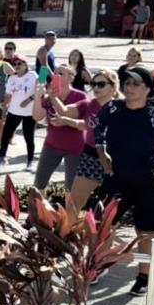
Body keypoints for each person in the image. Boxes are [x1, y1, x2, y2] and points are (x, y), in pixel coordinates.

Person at [95, 66, 154, 296]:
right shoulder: (112, 108)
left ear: (148, 90)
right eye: (127, 83)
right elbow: (97, 125)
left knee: (146, 233)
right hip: (119, 179)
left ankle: (143, 277)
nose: (129, 88)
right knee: (104, 226)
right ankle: (99, 267)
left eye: (136, 84)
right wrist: (102, 152)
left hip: (152, 182)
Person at [49, 68, 121, 214]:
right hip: (91, 156)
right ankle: (68, 234)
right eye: (93, 84)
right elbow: (64, 110)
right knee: (73, 203)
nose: (95, 88)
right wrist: (53, 97)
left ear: (113, 87)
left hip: (116, 158)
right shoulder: (89, 104)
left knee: (111, 208)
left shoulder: (123, 107)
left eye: (101, 84)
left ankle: (102, 235)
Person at [32, 64, 88, 190]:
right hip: (51, 145)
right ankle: (40, 209)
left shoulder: (80, 96)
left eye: (61, 73)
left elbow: (86, 123)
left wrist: (66, 121)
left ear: (71, 78)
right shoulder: (48, 97)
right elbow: (37, 117)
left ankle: (69, 210)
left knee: (71, 187)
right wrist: (37, 95)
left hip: (75, 148)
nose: (56, 75)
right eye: (55, 72)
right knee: (39, 183)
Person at [0, 57, 38, 172]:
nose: (17, 66)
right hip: (14, 112)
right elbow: (7, 95)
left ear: (25, 65)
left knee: (29, 137)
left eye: (20, 63)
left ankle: (30, 162)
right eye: (15, 64)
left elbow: (42, 89)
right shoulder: (11, 78)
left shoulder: (33, 75)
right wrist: (4, 111)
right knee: (6, 135)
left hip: (29, 113)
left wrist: (29, 99)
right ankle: (2, 157)